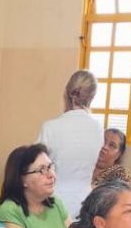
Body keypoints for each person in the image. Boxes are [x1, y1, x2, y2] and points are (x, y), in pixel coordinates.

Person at [37, 69, 103, 220]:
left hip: (53, 203)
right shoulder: (98, 128)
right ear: (92, 97)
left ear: (66, 93)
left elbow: (34, 167)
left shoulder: (50, 127)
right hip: (85, 204)